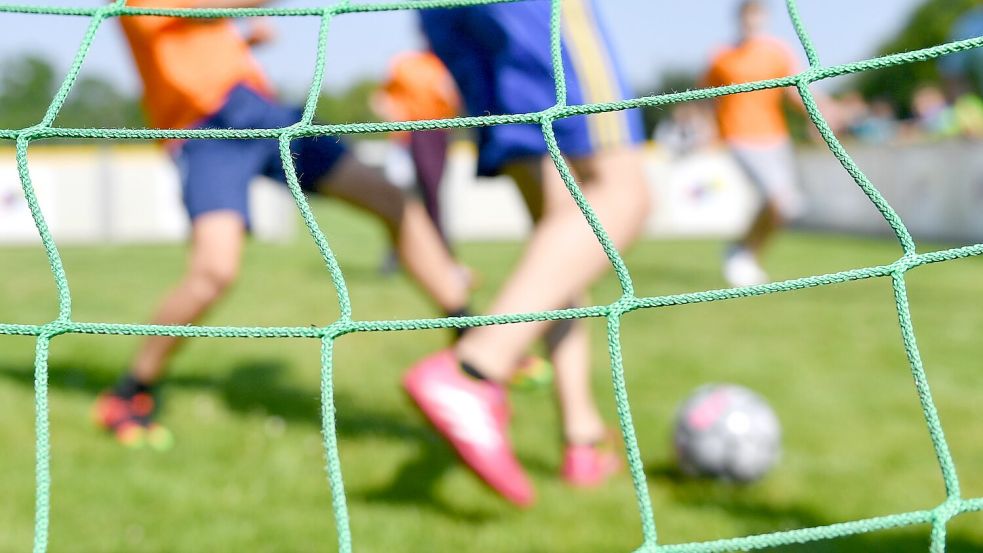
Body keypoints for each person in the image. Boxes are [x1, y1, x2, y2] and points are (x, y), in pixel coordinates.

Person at [94, 0, 470, 448]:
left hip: (260, 111)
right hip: (205, 133)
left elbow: (199, 43)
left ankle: (472, 342)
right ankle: (130, 391)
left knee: (393, 200)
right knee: (213, 272)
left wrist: (249, 41)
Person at [403, 0, 650, 506]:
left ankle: (580, 437)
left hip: (447, 16)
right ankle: (473, 370)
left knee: (559, 244)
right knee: (623, 194)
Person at [703, 0, 806, 287]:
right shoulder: (721, 57)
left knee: (785, 207)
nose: (752, 22)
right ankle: (743, 254)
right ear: (739, 19)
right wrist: (706, 131)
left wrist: (820, 116)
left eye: (757, 16)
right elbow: (707, 97)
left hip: (776, 135)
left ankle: (745, 252)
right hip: (738, 136)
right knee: (776, 198)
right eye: (747, 16)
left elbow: (795, 92)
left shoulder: (776, 52)